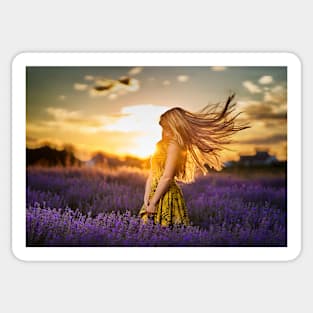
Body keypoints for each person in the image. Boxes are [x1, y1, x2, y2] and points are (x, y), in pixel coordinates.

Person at [138, 92, 250, 227]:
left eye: (167, 128)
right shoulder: (160, 145)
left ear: (175, 127)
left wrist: (154, 202)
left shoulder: (175, 145)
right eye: (163, 129)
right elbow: (152, 174)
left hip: (165, 195)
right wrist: (146, 198)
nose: (164, 133)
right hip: (152, 196)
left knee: (165, 236)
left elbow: (167, 177)